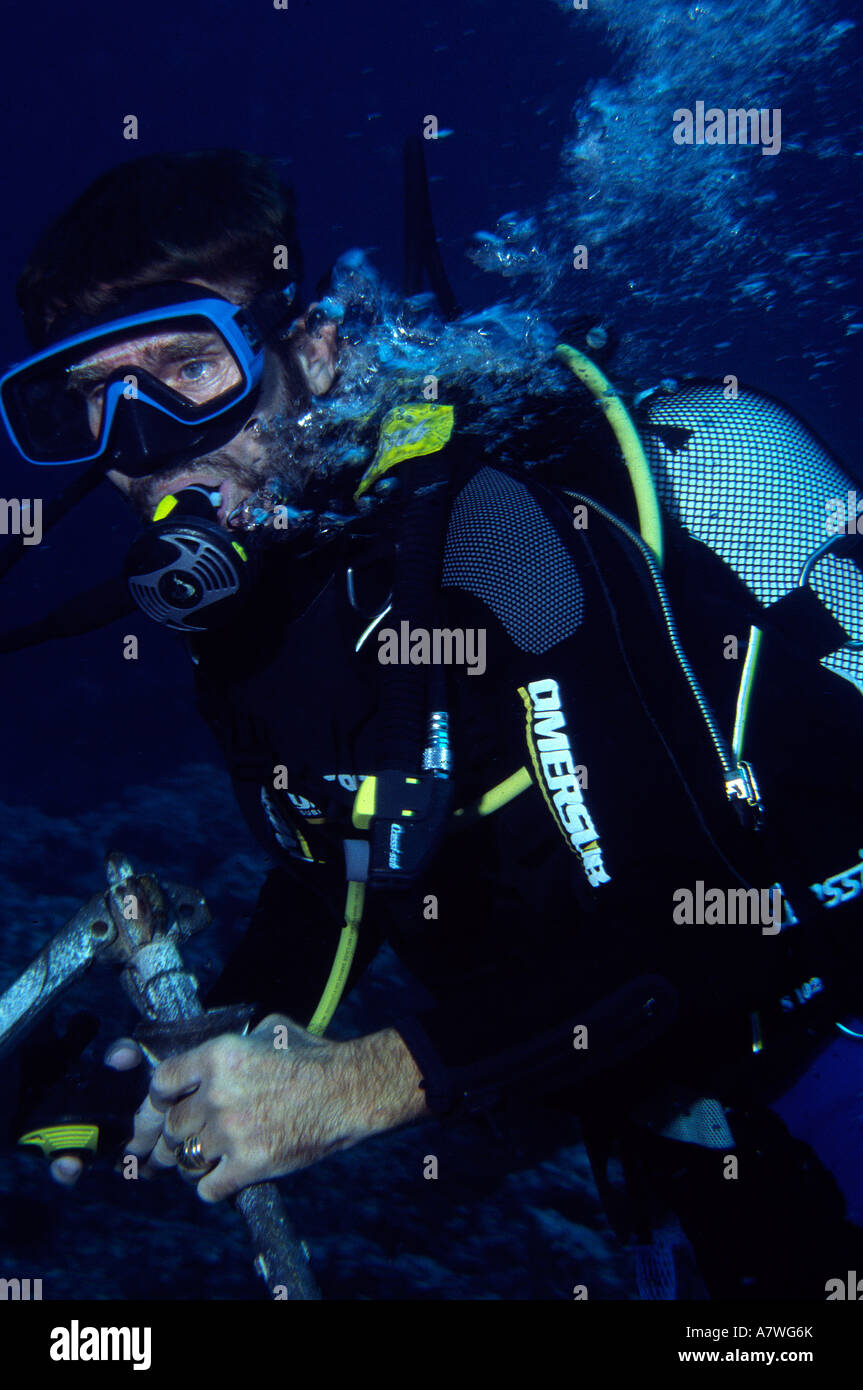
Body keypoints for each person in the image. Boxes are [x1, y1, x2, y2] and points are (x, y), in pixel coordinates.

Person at [3, 148, 863, 1300]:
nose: (139, 442)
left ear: (312, 348)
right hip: (665, 1128)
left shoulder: (499, 526)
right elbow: (349, 864)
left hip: (827, 1057)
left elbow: (705, 922)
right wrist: (178, 1075)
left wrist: (355, 1084)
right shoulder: (278, 593)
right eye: (89, 399)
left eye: (183, 368)